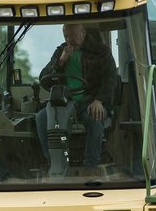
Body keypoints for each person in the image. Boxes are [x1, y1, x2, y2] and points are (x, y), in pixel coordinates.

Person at [36, 23, 117, 170]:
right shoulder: (61, 51)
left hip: (90, 100)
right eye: (66, 36)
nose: (69, 40)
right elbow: (44, 77)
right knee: (41, 117)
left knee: (95, 119)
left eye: (72, 35)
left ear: (83, 32)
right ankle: (51, 163)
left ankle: (91, 166)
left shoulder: (101, 52)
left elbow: (110, 79)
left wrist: (99, 100)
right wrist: (60, 61)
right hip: (65, 102)